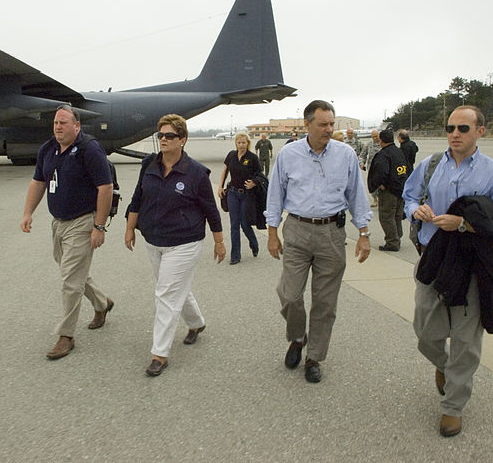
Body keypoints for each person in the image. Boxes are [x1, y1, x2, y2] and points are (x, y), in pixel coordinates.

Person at [402, 105, 493, 437]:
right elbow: (409, 196)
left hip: (471, 265)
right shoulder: (430, 166)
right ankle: (445, 367)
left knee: (466, 341)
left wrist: (465, 224)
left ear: (480, 132)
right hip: (432, 260)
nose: (455, 134)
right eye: (450, 128)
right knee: (424, 331)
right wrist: (417, 210)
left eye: (463, 128)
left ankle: (453, 406)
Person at [265, 100, 372, 384]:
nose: (329, 129)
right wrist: (272, 233)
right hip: (297, 230)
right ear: (307, 125)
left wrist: (363, 234)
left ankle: (314, 357)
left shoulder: (345, 154)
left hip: (331, 234)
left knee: (325, 303)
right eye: (323, 124)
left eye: (332, 124)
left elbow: (357, 196)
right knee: (289, 294)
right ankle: (298, 337)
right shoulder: (288, 154)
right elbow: (275, 195)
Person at [125, 114, 226, 376]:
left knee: (166, 296)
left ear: (182, 139)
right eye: (161, 135)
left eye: (169, 136)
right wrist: (129, 228)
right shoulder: (149, 163)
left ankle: (160, 354)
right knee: (173, 288)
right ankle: (196, 323)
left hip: (185, 243)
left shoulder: (196, 173)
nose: (164, 140)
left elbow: (210, 210)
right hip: (154, 240)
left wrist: (219, 241)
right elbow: (138, 197)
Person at [20, 105, 115, 361]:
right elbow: (38, 181)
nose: (58, 127)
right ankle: (102, 303)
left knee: (70, 281)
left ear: (77, 125)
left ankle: (66, 335)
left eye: (63, 123)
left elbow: (105, 188)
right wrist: (28, 212)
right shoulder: (48, 149)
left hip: (82, 222)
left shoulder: (89, 149)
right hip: (58, 223)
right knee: (71, 272)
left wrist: (99, 226)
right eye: (55, 123)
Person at [218, 132, 261, 265]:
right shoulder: (231, 155)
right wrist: (220, 186)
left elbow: (260, 174)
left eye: (244, 142)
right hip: (232, 193)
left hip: (246, 195)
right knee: (234, 225)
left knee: (244, 224)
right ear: (236, 143)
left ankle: (254, 244)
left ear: (248, 143)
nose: (241, 145)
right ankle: (235, 256)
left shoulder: (252, 158)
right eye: (239, 143)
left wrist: (254, 182)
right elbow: (225, 171)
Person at [368, 129, 409, 251]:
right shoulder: (399, 152)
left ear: (381, 140)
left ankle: (392, 242)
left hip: (389, 191)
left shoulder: (384, 154)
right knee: (397, 215)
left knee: (386, 216)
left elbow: (381, 172)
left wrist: (379, 184)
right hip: (400, 189)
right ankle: (397, 237)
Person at [360, 130, 381, 207]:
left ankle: (381, 199)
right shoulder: (368, 144)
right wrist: (362, 163)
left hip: (382, 168)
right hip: (372, 168)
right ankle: (375, 199)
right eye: (373, 137)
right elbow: (363, 155)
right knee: (372, 185)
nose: (375, 138)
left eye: (376, 136)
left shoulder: (383, 143)